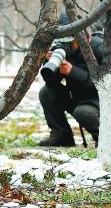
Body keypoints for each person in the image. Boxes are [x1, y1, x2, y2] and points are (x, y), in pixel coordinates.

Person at [38, 13, 104, 147]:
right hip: (78, 98)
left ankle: (103, 139)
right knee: (46, 92)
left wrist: (73, 71)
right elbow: (52, 83)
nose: (65, 45)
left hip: (101, 100)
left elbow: (108, 84)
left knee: (83, 112)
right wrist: (49, 62)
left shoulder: (99, 47)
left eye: (68, 41)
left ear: (80, 37)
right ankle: (62, 136)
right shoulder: (66, 51)